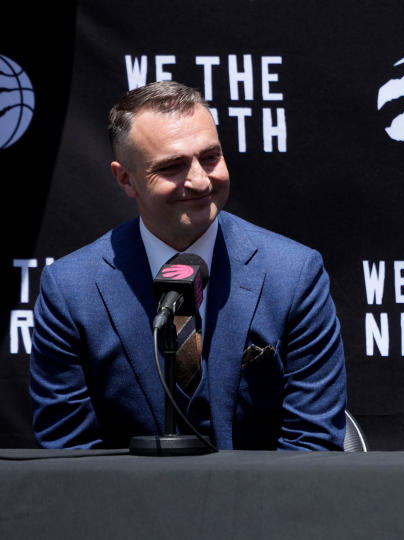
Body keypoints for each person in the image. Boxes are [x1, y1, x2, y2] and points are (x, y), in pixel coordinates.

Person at [30, 81, 347, 450]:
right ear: (125, 178)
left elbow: (312, 444)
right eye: (173, 166)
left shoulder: (294, 274)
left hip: (263, 505)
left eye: (211, 157)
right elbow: (70, 456)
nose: (199, 180)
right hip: (126, 506)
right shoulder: (70, 290)